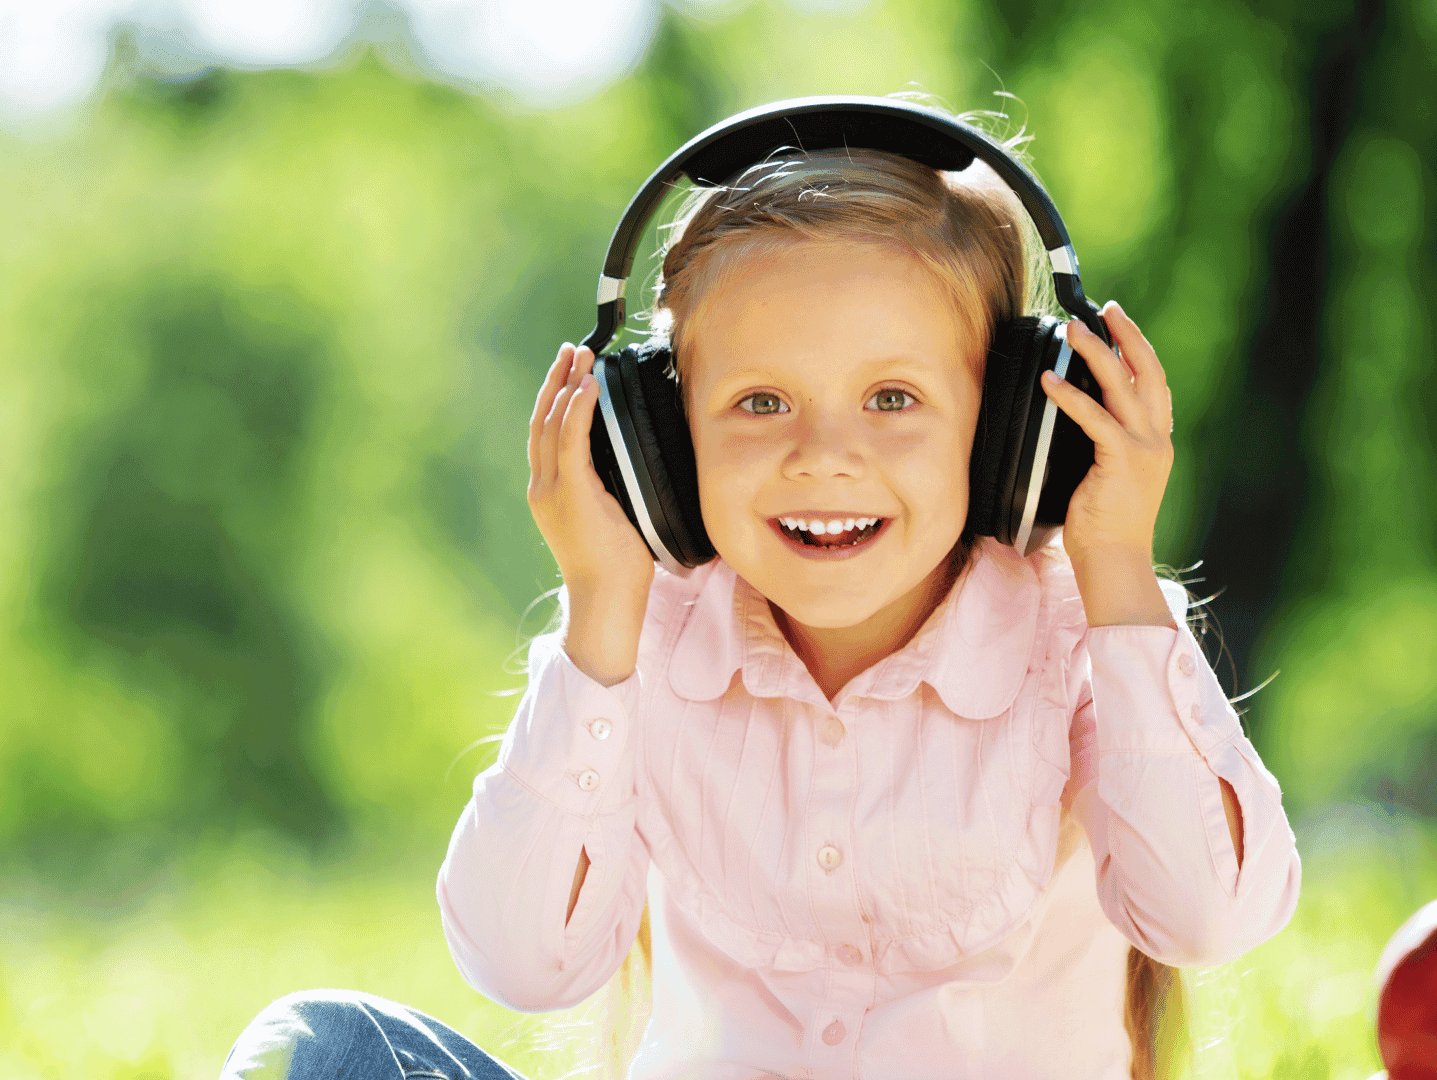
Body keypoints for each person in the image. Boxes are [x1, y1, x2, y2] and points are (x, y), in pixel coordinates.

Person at [221, 110, 1301, 1080]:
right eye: (760, 402)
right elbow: (521, 962)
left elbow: (1207, 917)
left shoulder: (1078, 635)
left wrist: (1116, 568)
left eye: (892, 398)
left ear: (1012, 431)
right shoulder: (646, 637)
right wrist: (601, 609)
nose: (823, 454)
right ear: (656, 444)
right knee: (325, 1046)